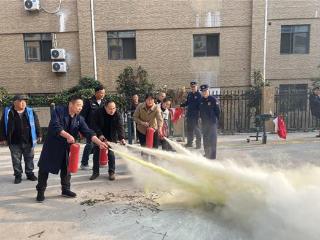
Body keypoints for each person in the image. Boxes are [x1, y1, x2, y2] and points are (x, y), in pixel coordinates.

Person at [36, 95, 108, 202]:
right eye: (78, 105)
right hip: (52, 146)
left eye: (81, 106)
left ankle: (66, 189)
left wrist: (99, 143)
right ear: (71, 104)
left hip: (66, 147)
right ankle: (40, 191)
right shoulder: (58, 111)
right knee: (44, 169)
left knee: (66, 169)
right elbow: (56, 126)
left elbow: (88, 131)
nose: (80, 108)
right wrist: (68, 136)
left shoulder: (79, 118)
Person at [0, 94, 41, 184]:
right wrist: (3, 138)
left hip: (28, 140)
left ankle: (30, 173)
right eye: (21, 101)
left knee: (29, 158)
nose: (23, 103)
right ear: (15, 102)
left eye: (24, 101)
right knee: (16, 159)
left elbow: (36, 122)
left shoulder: (30, 111)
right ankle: (18, 175)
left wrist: (39, 134)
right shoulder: (8, 112)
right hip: (14, 141)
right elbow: (2, 125)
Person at [90, 100, 126, 181]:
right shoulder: (98, 112)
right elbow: (94, 125)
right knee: (96, 152)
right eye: (110, 108)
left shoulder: (117, 114)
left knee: (111, 154)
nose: (112, 110)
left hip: (111, 135)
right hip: (99, 134)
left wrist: (121, 138)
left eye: (114, 108)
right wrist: (100, 135)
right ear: (105, 107)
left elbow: (120, 126)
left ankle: (111, 172)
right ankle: (95, 172)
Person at [80, 85, 106, 170]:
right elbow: (82, 116)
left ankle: (100, 162)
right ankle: (84, 163)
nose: (102, 95)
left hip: (101, 128)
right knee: (90, 145)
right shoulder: (88, 102)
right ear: (96, 92)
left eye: (104, 93)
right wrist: (82, 129)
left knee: (100, 145)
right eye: (101, 93)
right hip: (90, 128)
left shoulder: (104, 102)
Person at [199, 84, 220, 159]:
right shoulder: (201, 100)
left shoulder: (213, 99)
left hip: (212, 123)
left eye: (205, 91)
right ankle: (207, 153)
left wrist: (216, 122)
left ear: (208, 90)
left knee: (212, 140)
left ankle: (212, 156)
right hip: (205, 123)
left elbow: (218, 112)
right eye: (202, 91)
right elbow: (200, 112)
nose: (204, 92)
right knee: (205, 139)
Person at [180, 81, 202, 149]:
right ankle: (190, 143)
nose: (193, 88)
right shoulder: (189, 94)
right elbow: (187, 102)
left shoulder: (199, 95)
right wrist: (181, 105)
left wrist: (200, 115)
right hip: (189, 114)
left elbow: (200, 106)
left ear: (196, 86)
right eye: (192, 87)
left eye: (194, 87)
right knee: (189, 129)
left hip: (196, 115)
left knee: (196, 129)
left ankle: (198, 144)